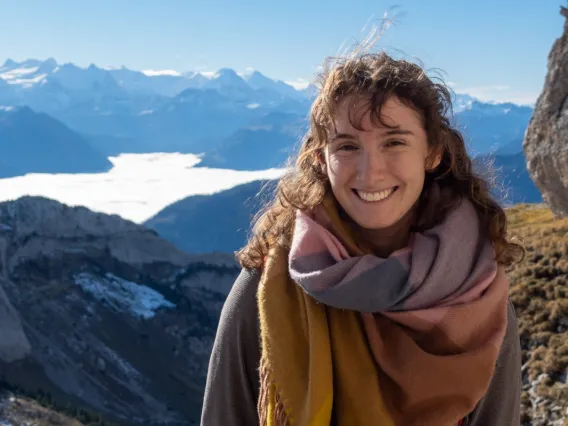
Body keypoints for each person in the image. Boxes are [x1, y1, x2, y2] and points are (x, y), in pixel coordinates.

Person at [201, 51, 522, 426]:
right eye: (348, 146)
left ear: (432, 153)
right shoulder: (270, 287)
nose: (370, 173)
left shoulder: (475, 299)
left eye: (395, 142)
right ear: (322, 159)